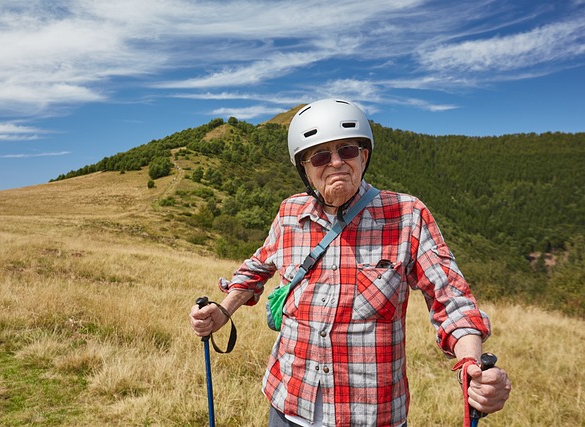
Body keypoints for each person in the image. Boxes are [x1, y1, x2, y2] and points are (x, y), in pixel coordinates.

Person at [189, 99, 511, 426]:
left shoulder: (407, 215)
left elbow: (451, 299)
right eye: (320, 156)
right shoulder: (289, 214)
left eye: (347, 151)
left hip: (370, 415)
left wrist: (472, 363)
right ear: (305, 169)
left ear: (364, 156)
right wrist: (223, 310)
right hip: (288, 404)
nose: (336, 163)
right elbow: (257, 268)